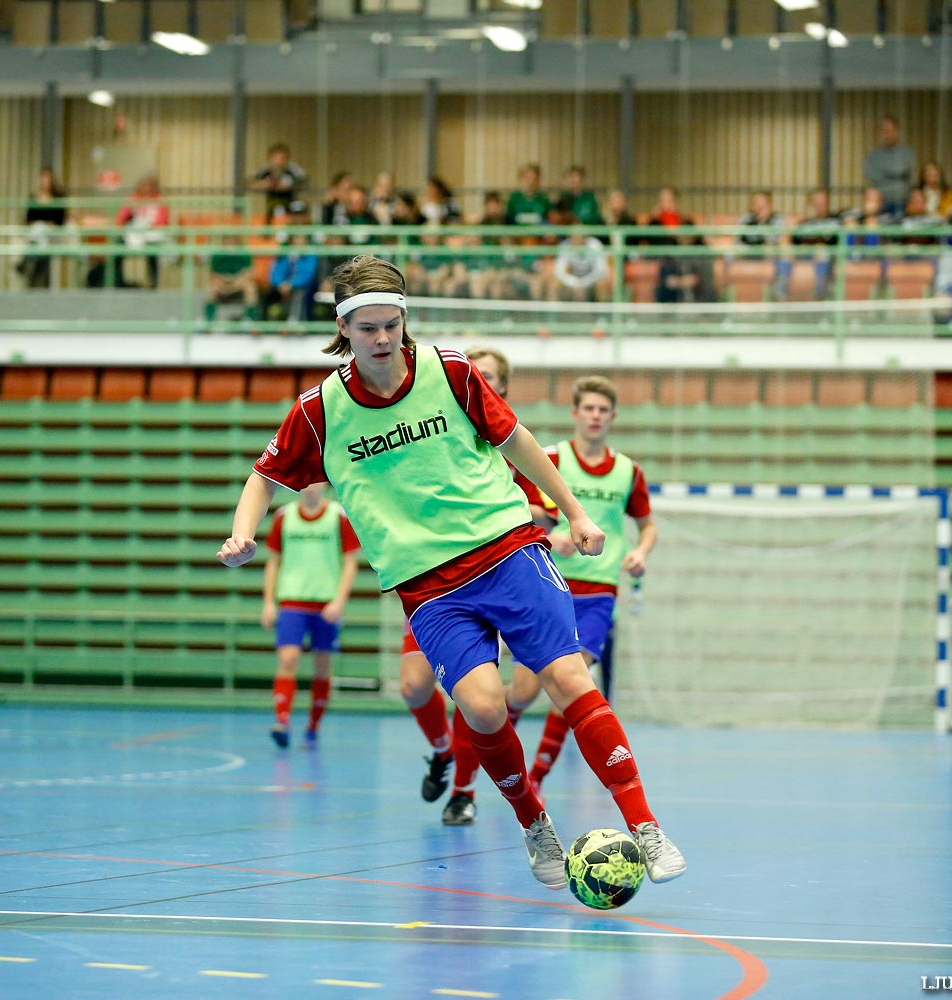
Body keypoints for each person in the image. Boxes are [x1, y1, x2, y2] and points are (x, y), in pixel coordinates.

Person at [219, 254, 686, 888]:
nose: (382, 339)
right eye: (368, 329)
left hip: (506, 549)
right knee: (485, 708)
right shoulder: (319, 411)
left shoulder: (453, 373)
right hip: (428, 586)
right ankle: (533, 822)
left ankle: (645, 824)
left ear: (404, 320)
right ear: (343, 330)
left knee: (569, 679)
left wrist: (573, 512)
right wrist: (244, 531)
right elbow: (264, 477)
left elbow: (519, 442)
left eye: (392, 325)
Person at [405, 346, 555, 826]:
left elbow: (542, 513)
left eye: (487, 375)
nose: (476, 378)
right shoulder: (432, 437)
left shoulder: (511, 442)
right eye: (473, 372)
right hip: (438, 580)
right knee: (412, 685)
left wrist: (494, 507)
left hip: (506, 574)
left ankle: (465, 790)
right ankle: (443, 751)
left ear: (501, 386)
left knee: (502, 695)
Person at [525, 376, 657, 794]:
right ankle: (490, 749)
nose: (596, 416)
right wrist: (549, 535)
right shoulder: (551, 459)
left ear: (612, 417)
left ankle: (535, 778)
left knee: (575, 683)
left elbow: (647, 526)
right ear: (575, 413)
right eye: (589, 409)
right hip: (549, 583)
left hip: (600, 591)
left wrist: (640, 553)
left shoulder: (628, 472)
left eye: (603, 410)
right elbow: (520, 510)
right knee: (523, 690)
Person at [261, 482, 362, 749]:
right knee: (288, 658)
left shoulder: (337, 516)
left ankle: (313, 727)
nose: (309, 487)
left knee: (322, 667)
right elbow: (273, 561)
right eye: (304, 483)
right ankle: (282, 721)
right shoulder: (284, 516)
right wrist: (269, 602)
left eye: (314, 482)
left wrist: (339, 601)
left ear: (325, 485)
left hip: (325, 604)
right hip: (292, 601)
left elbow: (351, 562)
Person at [116, 174, 170, 289]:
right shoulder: (133, 199)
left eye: (149, 185)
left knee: (153, 249)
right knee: (117, 245)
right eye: (144, 185)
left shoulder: (160, 200)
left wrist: (149, 227)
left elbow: (163, 220)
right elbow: (121, 218)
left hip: (152, 234)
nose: (147, 188)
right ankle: (118, 282)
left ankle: (153, 284)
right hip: (134, 234)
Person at [19, 168, 67, 289]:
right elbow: (28, 219)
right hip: (37, 232)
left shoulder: (58, 198)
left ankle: (24, 264)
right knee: (39, 233)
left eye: (48, 179)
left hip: (52, 232)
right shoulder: (34, 197)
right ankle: (41, 279)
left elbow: (60, 220)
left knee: (40, 233)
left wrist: (49, 225)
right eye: (43, 179)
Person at [863, 115, 917, 217]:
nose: (888, 134)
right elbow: (872, 177)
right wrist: (899, 174)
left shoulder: (908, 154)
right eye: (885, 131)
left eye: (891, 130)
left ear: (897, 131)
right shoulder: (873, 156)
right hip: (881, 204)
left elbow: (912, 175)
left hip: (904, 202)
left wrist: (885, 174)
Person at [252, 143, 306, 217]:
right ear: (271, 158)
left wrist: (289, 186)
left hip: (290, 203)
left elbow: (303, 182)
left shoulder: (293, 170)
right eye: (276, 157)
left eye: (282, 158)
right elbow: (253, 183)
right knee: (277, 213)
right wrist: (265, 184)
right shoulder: (265, 170)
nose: (279, 161)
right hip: (272, 204)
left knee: (300, 207)